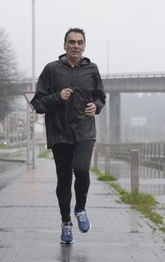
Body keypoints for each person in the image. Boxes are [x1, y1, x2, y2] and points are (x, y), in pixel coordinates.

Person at [31, 28, 106, 244]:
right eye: (71, 42)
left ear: (84, 46)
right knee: (64, 180)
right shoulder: (51, 70)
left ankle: (80, 208)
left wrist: (96, 106)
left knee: (81, 170)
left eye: (79, 42)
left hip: (84, 130)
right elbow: (37, 104)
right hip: (59, 133)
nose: (75, 46)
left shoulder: (92, 69)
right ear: (64, 45)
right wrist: (58, 97)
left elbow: (101, 97)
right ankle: (66, 223)